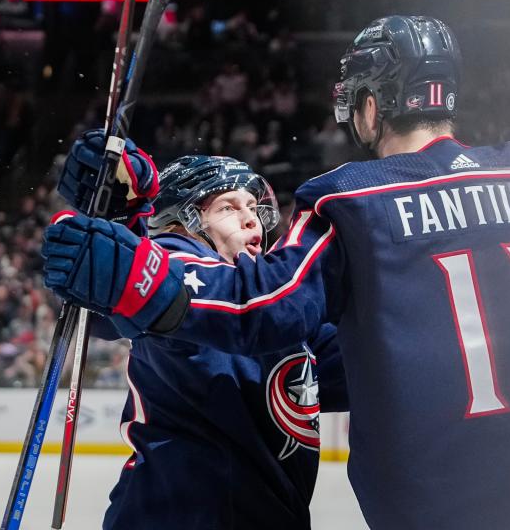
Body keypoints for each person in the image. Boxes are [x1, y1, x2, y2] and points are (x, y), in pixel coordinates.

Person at [44, 15, 510, 530]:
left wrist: (138, 268)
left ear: (367, 104)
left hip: (446, 512)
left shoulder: (355, 204)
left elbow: (259, 303)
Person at [49, 139, 347, 529]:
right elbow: (156, 278)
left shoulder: (279, 310)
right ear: (181, 222)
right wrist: (123, 223)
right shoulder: (183, 258)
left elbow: (363, 365)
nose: (251, 219)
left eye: (254, 208)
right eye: (228, 207)